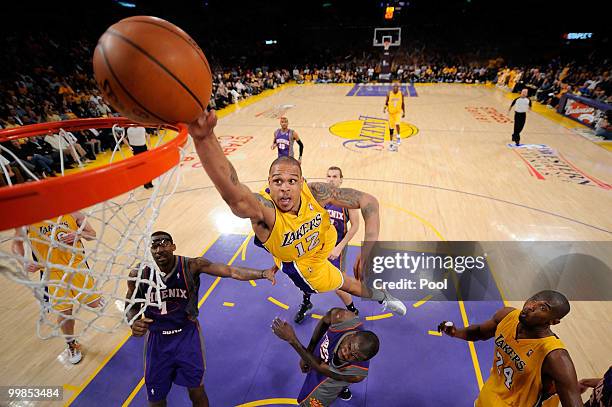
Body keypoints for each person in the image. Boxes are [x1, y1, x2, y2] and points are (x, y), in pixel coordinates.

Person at [188, 110, 406, 315]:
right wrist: (204, 138)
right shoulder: (265, 213)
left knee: (352, 276)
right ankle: (381, 297)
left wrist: (369, 249)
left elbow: (369, 202)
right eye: (278, 181)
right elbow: (234, 192)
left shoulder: (315, 192)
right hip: (307, 267)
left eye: (292, 181)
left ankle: (379, 294)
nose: (285, 187)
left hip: (324, 240)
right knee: (348, 284)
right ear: (269, 184)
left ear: (301, 182)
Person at [126, 231, 276, 407]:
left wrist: (263, 273)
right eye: (154, 245)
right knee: (155, 401)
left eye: (164, 243)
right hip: (157, 341)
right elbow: (131, 305)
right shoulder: (139, 274)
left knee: (197, 391)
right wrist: (133, 322)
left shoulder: (191, 266)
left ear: (173, 247)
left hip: (186, 337)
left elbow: (231, 271)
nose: (159, 249)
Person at [438, 290, 582, 407]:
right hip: (487, 398)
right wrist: (455, 332)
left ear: (554, 321)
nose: (530, 306)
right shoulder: (507, 316)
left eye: (543, 308)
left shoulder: (555, 356)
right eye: (533, 299)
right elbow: (479, 332)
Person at [12, 211, 102, 364]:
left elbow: (92, 234)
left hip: (77, 266)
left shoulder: (72, 212)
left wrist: (78, 235)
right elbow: (16, 244)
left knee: (94, 304)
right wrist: (24, 261)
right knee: (65, 313)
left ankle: (91, 295)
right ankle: (71, 344)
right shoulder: (26, 221)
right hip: (52, 273)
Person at [272, 307, 379, 405]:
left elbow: (320, 367)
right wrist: (310, 349)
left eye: (354, 356)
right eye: (349, 346)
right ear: (353, 334)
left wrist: (292, 339)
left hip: (332, 378)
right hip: (326, 360)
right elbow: (324, 321)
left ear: (361, 360)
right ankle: (343, 387)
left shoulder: (357, 375)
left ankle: (341, 386)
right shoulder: (342, 318)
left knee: (310, 403)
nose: (346, 353)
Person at [295, 166, 360, 324]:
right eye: (329, 176)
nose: (331, 179)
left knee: (339, 284)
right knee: (306, 277)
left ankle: (352, 310)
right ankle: (306, 302)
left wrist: (339, 247)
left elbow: (355, 226)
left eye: (335, 176)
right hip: (317, 246)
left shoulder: (347, 200)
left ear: (341, 180)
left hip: (337, 247)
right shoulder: (320, 198)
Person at [383, 82, 405, 151]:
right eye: (394, 87)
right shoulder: (389, 93)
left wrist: (404, 112)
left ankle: (398, 137)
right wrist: (384, 108)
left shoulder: (401, 94)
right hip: (391, 113)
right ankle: (391, 142)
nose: (395, 88)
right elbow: (386, 102)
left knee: (397, 124)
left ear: (398, 88)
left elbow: (403, 103)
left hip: (398, 112)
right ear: (393, 88)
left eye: (397, 87)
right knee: (391, 128)